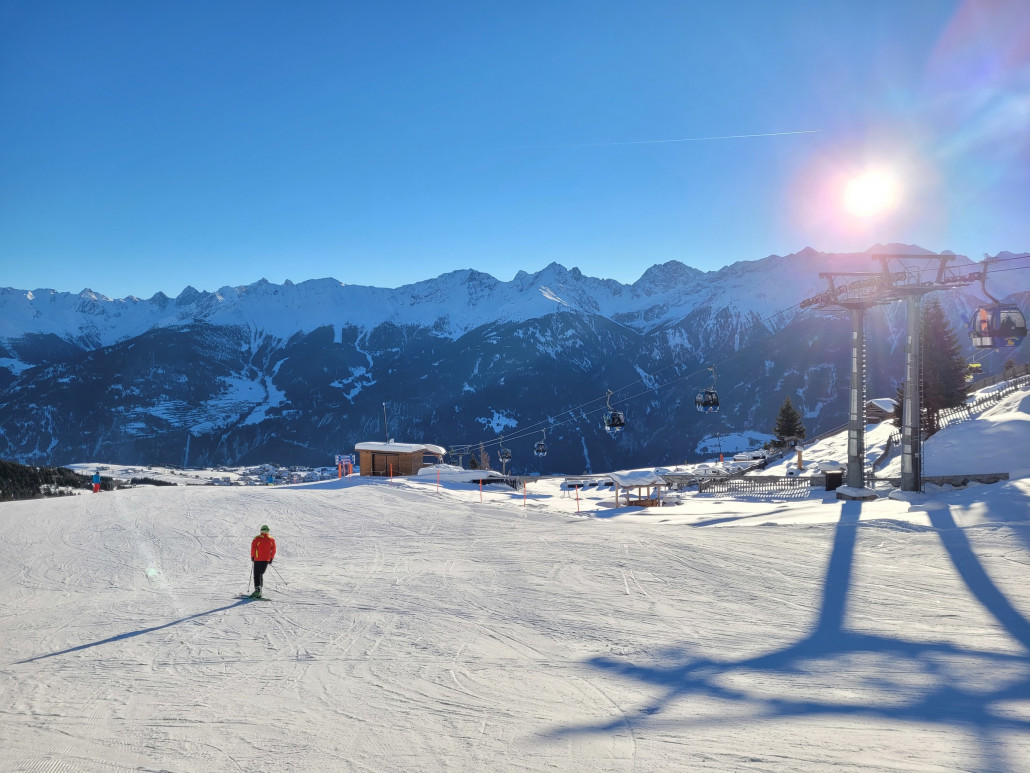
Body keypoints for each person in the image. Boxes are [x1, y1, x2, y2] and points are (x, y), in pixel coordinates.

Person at [250, 525, 276, 598]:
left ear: (261, 530)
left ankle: (257, 590)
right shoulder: (272, 539)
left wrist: (252, 556)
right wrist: (271, 559)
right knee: (260, 574)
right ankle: (259, 590)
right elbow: (273, 550)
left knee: (257, 575)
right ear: (268, 531)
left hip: (258, 559)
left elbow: (253, 548)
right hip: (266, 560)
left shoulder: (257, 538)